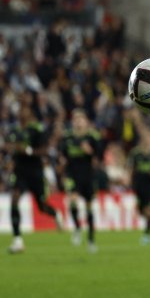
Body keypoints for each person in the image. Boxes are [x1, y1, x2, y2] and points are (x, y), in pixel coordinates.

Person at [6, 105, 63, 254]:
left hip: (36, 172)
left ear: (29, 113)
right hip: (20, 172)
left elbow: (45, 150)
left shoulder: (37, 129)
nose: (20, 112)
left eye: (23, 110)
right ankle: (17, 240)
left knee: (41, 206)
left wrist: (28, 151)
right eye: (19, 110)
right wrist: (11, 154)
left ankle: (55, 214)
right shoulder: (15, 131)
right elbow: (10, 147)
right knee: (14, 199)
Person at [58, 108, 103, 253]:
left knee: (89, 208)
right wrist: (61, 165)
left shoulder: (93, 137)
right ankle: (77, 228)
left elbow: (98, 158)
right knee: (72, 200)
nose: (78, 122)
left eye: (81, 119)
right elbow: (62, 156)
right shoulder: (67, 138)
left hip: (88, 175)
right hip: (73, 175)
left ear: (86, 122)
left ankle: (91, 240)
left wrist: (89, 151)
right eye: (75, 119)